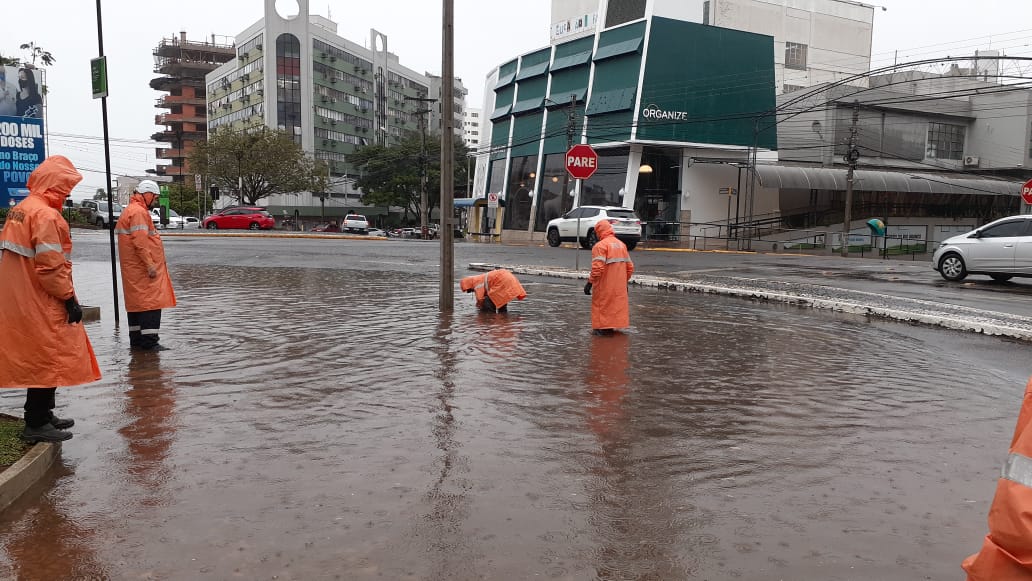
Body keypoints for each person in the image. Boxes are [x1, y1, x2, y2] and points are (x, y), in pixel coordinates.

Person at [0, 155, 101, 443]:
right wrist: (69, 298)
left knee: (39, 355)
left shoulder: (21, 210)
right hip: (42, 297)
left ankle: (43, 414)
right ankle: (36, 422)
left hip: (21, 296)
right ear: (54, 184)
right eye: (66, 187)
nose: (68, 193)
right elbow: (51, 266)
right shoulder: (45, 215)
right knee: (48, 356)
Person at [115, 180, 177, 351]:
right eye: (155, 197)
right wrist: (150, 265)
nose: (155, 201)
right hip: (142, 270)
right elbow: (140, 242)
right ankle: (150, 343)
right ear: (147, 194)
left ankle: (137, 343)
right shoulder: (138, 212)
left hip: (133, 270)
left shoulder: (130, 210)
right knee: (151, 303)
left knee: (137, 304)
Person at [583, 220, 634, 335]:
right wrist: (623, 282)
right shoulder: (622, 245)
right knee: (614, 312)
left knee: (601, 312)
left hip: (604, 287)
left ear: (599, 232)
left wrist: (589, 283)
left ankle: (601, 336)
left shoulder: (600, 246)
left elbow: (597, 269)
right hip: (619, 287)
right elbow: (630, 268)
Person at [460, 268, 527, 313]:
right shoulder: (478, 279)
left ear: (468, 285)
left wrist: (480, 311)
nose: (470, 291)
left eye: (468, 290)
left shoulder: (477, 283)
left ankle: (489, 318)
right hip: (506, 277)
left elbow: (480, 299)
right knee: (498, 298)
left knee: (487, 301)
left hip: (503, 279)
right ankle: (503, 316)